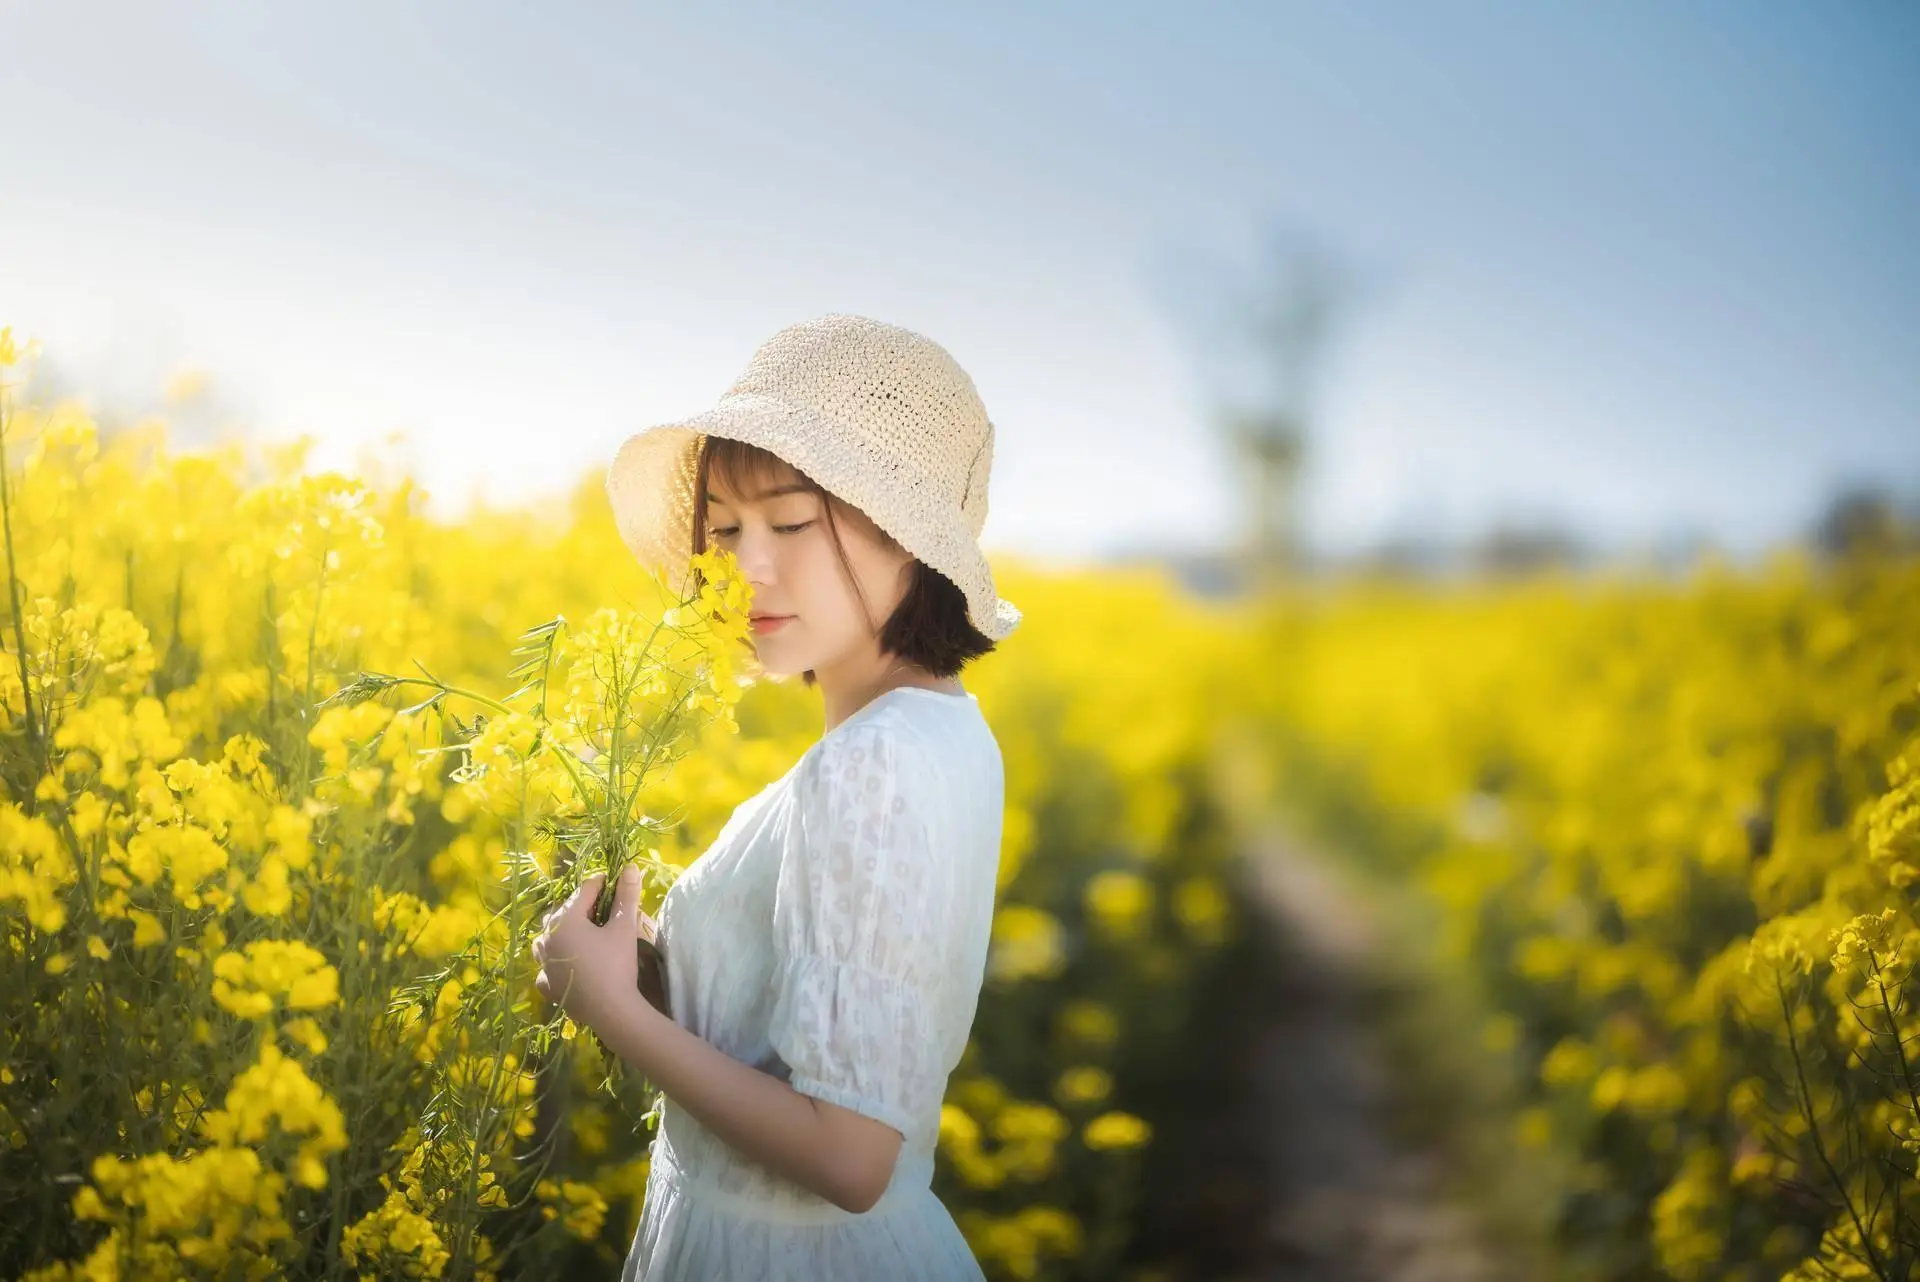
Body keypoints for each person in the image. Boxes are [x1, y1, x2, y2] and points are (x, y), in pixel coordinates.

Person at [531, 315, 1021, 1280]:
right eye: (725, 529)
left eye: (792, 522)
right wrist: (651, 982)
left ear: (911, 538)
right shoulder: (944, 731)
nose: (745, 567)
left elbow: (849, 1155)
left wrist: (614, 1014)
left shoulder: (869, 766)